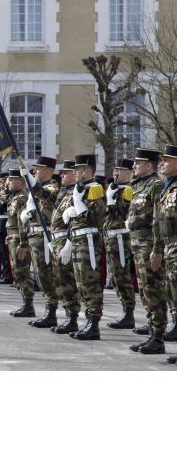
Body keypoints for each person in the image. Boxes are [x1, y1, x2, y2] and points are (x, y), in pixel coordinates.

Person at [126, 148, 167, 354]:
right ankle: (152, 332)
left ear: (149, 165)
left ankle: (158, 337)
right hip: (137, 244)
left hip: (149, 244)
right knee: (144, 290)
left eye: (138, 163)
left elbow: (158, 218)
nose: (133, 166)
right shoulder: (140, 185)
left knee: (153, 290)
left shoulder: (156, 185)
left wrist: (157, 248)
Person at [61, 153, 105, 340]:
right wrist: (68, 242)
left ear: (87, 171)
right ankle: (87, 321)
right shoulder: (79, 188)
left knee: (90, 284)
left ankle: (93, 324)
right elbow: (75, 223)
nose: (74, 173)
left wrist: (78, 205)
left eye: (77, 170)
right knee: (80, 284)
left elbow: (96, 218)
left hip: (88, 243)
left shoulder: (94, 189)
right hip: (78, 241)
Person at [20, 156, 60, 328]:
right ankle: (47, 310)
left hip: (45, 237)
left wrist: (28, 179)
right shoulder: (35, 189)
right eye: (34, 169)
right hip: (34, 236)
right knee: (39, 276)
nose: (35, 171)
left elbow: (44, 195)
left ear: (49, 172)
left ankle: (51, 312)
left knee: (46, 276)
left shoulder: (51, 187)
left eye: (39, 169)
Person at [47, 160, 82, 334]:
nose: (62, 176)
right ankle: (68, 316)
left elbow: (77, 222)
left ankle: (73, 318)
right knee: (60, 282)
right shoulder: (63, 193)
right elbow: (44, 196)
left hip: (65, 242)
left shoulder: (77, 193)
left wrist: (68, 243)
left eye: (65, 173)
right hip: (56, 242)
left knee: (68, 282)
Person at [103, 159, 136, 329]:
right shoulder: (114, 189)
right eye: (115, 170)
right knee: (115, 277)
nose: (116, 173)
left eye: (121, 171)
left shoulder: (128, 190)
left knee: (122, 276)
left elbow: (124, 213)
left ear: (130, 173)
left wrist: (111, 201)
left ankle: (129, 312)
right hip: (110, 238)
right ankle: (125, 310)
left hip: (120, 238)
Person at [152, 145, 177, 364]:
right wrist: (157, 249)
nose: (162, 163)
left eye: (167, 160)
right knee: (173, 296)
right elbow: (159, 223)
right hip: (169, 248)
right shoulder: (167, 188)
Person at [6, 169, 35, 317]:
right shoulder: (15, 196)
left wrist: (23, 243)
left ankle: (28, 305)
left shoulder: (22, 197)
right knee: (17, 272)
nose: (7, 183)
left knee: (22, 271)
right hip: (12, 238)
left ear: (19, 182)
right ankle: (25, 302)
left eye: (10, 180)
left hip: (18, 239)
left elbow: (23, 222)